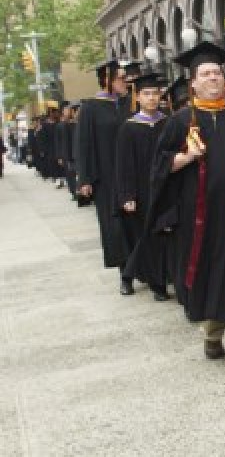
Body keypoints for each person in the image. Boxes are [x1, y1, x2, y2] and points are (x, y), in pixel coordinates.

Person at [135, 41, 225, 372]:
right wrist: (188, 156)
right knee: (208, 270)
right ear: (193, 82)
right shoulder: (180, 120)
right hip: (199, 214)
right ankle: (212, 332)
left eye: (218, 73)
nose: (213, 78)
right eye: (206, 73)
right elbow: (159, 168)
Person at [76, 60, 135, 295]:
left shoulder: (130, 103)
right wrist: (85, 179)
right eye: (121, 77)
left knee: (136, 224)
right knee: (116, 227)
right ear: (107, 79)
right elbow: (84, 144)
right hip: (107, 176)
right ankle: (126, 274)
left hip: (132, 172)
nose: (126, 81)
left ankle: (147, 270)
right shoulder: (91, 107)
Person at [116, 73, 173, 302]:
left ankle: (158, 279)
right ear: (137, 97)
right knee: (147, 236)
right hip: (140, 190)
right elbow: (123, 166)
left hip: (165, 188)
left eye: (155, 93)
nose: (151, 98)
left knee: (163, 235)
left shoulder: (167, 122)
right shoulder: (128, 128)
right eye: (146, 94)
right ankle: (148, 281)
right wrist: (127, 195)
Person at [56, 103, 79, 199]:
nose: (67, 112)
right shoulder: (63, 125)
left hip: (76, 153)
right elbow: (59, 142)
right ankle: (74, 193)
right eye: (65, 110)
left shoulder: (78, 124)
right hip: (67, 153)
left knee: (76, 174)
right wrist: (60, 156)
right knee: (70, 175)